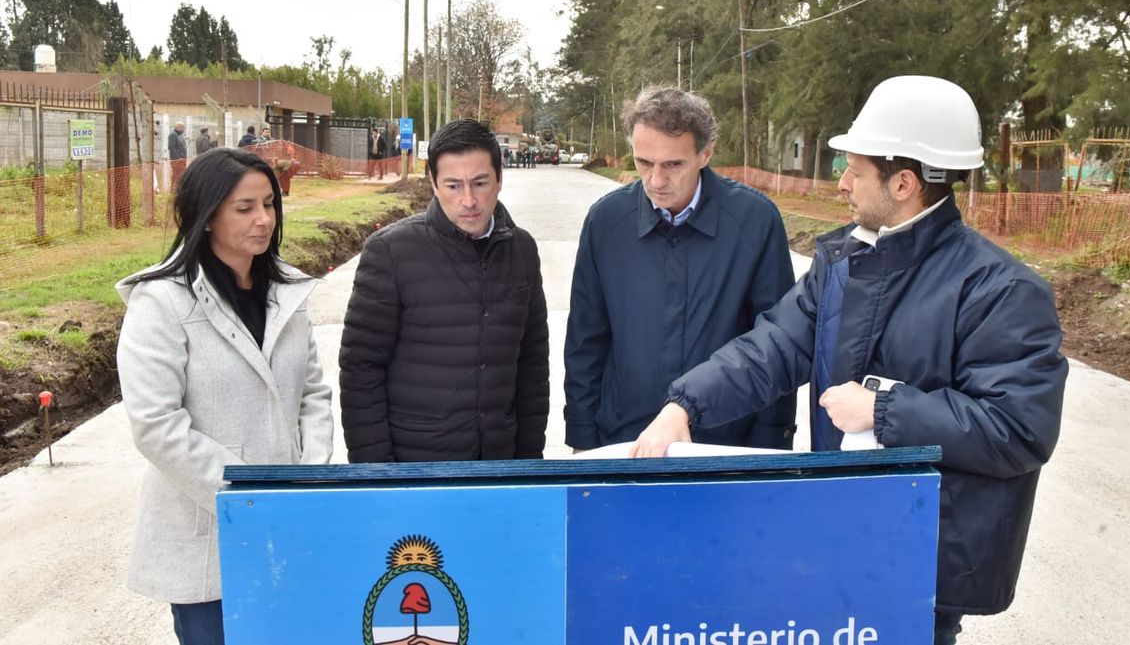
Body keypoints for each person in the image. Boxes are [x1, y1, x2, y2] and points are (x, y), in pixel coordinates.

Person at [633, 76, 1068, 644]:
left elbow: (1019, 429)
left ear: (904, 182)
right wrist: (684, 405)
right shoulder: (844, 261)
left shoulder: (1001, 290)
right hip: (840, 535)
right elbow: (774, 346)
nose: (842, 184)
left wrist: (885, 411)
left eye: (856, 171)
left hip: (924, 561)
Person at [116, 147, 334, 644]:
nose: (263, 220)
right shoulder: (163, 302)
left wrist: (308, 477)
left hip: (289, 520)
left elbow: (313, 394)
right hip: (209, 533)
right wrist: (247, 495)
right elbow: (156, 423)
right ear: (206, 215)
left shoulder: (286, 293)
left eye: (270, 205)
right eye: (244, 208)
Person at [564, 85, 796, 451]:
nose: (656, 181)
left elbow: (779, 340)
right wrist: (581, 437)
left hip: (723, 447)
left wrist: (770, 445)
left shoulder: (755, 221)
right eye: (644, 163)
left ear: (705, 153)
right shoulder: (605, 222)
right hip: (624, 442)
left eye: (673, 164)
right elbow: (585, 340)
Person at [339, 118, 550, 462]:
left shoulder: (521, 250)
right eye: (453, 186)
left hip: (499, 463)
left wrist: (528, 460)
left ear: (500, 179)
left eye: (480, 183)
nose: (469, 200)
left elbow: (532, 363)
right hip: (416, 465)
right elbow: (361, 369)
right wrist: (375, 474)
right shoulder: (391, 252)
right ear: (434, 185)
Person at [168, 121, 187, 189]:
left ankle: (178, 189)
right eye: (183, 128)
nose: (184, 130)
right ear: (179, 127)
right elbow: (172, 148)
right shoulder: (172, 135)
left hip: (182, 161)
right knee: (176, 175)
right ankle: (173, 189)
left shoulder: (180, 136)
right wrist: (178, 158)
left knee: (181, 176)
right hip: (177, 161)